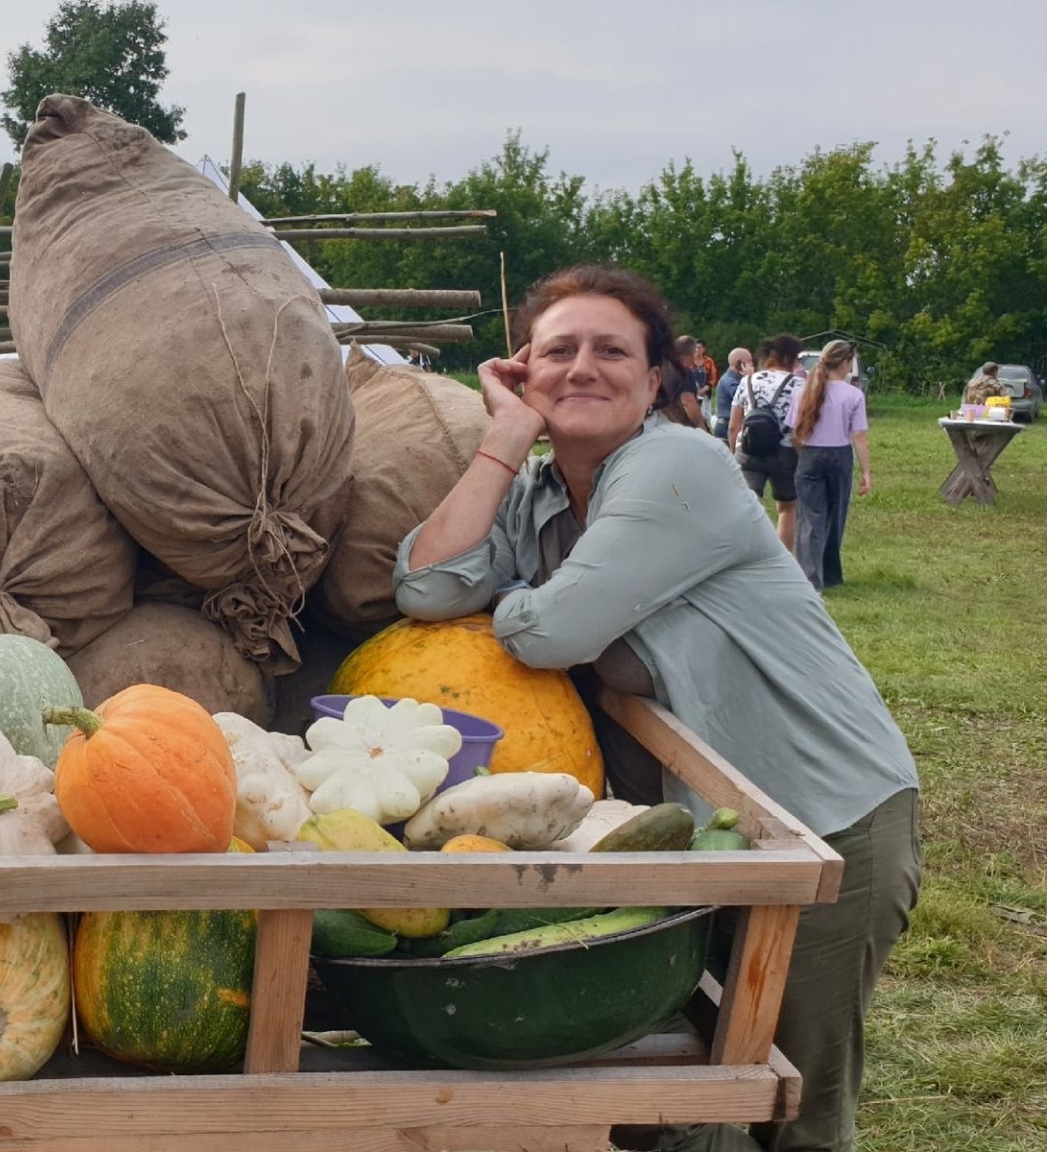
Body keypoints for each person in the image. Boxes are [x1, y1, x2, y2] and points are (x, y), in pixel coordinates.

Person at [393, 265, 920, 1152]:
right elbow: (423, 586)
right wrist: (504, 444)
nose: (583, 368)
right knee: (678, 1094)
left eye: (612, 351)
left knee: (791, 1109)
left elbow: (555, 632)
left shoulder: (680, 463)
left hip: (826, 821)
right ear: (522, 372)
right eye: (557, 351)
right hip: (705, 833)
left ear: (653, 381)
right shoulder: (542, 497)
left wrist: (517, 600)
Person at [788, 341, 870, 592]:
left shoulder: (803, 391)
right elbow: (859, 436)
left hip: (810, 455)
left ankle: (810, 577)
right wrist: (866, 471)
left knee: (810, 518)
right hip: (839, 457)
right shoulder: (853, 394)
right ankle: (831, 573)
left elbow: (793, 429)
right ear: (845, 363)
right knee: (835, 517)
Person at [729, 336, 805, 551]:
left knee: (747, 506)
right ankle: (783, 559)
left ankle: (744, 556)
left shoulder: (748, 381)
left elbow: (734, 425)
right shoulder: (801, 384)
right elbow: (803, 427)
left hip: (749, 450)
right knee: (788, 507)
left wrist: (733, 453)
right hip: (785, 452)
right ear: (789, 358)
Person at [657, 335, 707, 429]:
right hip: (678, 423)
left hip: (658, 422)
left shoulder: (662, 368)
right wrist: (701, 426)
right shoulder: (684, 373)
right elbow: (688, 402)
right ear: (692, 353)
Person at [712, 347, 751, 441]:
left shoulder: (736, 379)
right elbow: (746, 397)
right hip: (727, 428)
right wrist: (749, 378)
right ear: (739, 364)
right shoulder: (729, 381)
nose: (752, 365)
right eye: (749, 361)